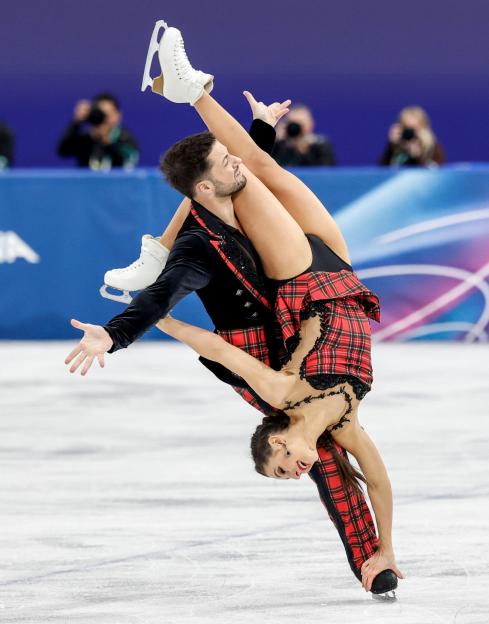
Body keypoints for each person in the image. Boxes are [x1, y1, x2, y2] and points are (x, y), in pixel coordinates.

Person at [65, 21, 400, 598]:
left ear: (275, 442)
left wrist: (136, 330)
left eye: (279, 467)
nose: (294, 473)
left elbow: (217, 347)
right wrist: (385, 551)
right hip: (341, 270)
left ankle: (190, 94)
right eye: (290, 474)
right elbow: (376, 484)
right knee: (258, 170)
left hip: (301, 278)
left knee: (246, 179)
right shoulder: (347, 429)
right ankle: (166, 218)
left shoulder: (281, 393)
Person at [57, 93, 139, 170]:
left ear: (117, 115)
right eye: (101, 115)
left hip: (117, 184)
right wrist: (76, 123)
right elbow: (63, 150)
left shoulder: (125, 139)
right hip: (88, 184)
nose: (104, 120)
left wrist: (107, 142)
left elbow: (128, 162)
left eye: (107, 114)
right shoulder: (87, 140)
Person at [379, 105, 445, 167]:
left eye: (415, 129)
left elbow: (436, 175)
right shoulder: (397, 149)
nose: (411, 134)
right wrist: (391, 148)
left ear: (424, 128)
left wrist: (418, 157)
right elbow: (382, 172)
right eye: (407, 128)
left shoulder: (433, 149)